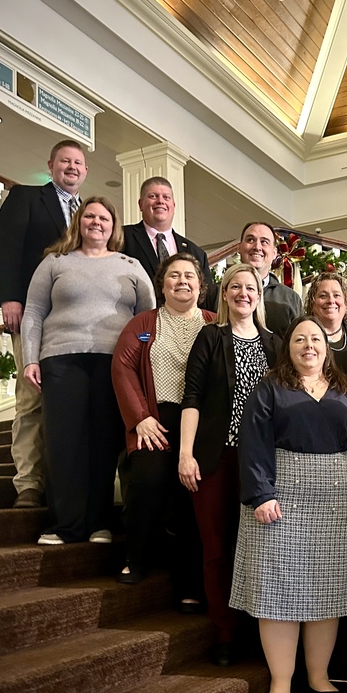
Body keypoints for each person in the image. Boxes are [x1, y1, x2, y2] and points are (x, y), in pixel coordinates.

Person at [231, 315, 347, 693]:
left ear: (326, 347)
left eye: (315, 338)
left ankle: (318, 677)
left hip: (337, 498)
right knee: (276, 592)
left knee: (327, 590)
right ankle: (280, 684)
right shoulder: (270, 387)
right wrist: (261, 493)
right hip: (279, 496)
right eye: (300, 339)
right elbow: (253, 441)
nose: (308, 345)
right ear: (288, 348)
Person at [21, 197, 155, 544]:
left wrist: (140, 356)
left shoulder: (130, 265)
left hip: (113, 363)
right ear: (79, 222)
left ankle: (98, 524)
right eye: (90, 216)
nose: (97, 222)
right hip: (60, 358)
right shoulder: (55, 262)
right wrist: (30, 359)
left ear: (114, 226)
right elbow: (33, 311)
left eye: (104, 218)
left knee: (103, 442)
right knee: (63, 443)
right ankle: (64, 525)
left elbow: (147, 319)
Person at [179, 262, 279, 664]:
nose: (243, 293)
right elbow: (192, 396)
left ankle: (260, 632)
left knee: (259, 548)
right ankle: (225, 633)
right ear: (224, 294)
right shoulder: (210, 336)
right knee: (217, 548)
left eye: (250, 287)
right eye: (235, 286)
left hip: (262, 463)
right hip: (215, 458)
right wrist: (185, 453)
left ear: (259, 295)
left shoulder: (274, 343)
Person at [111, 252, 217, 605]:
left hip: (202, 426)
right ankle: (135, 558)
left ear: (201, 286)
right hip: (153, 420)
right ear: (162, 284)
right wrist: (140, 417)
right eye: (174, 275)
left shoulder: (215, 323)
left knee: (195, 495)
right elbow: (123, 368)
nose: (182, 281)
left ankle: (190, 585)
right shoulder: (143, 323)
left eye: (189, 275)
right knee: (147, 480)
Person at [0, 139, 89, 508]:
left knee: (70, 403)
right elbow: (4, 246)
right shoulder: (27, 197)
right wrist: (9, 297)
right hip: (33, 314)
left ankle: (63, 481)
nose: (72, 167)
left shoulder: (89, 213)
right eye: (65, 161)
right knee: (31, 398)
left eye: (78, 163)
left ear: (85, 171)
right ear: (51, 165)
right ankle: (29, 484)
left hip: (76, 324)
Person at [205, 221, 303, 337]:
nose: (257, 247)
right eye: (250, 240)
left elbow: (299, 340)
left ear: (274, 253)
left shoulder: (290, 298)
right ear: (239, 248)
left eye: (264, 242)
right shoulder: (215, 292)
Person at [123, 177, 211, 287]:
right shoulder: (122, 237)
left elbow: (207, 294)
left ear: (173, 206)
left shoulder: (197, 253)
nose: (160, 201)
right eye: (153, 196)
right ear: (141, 204)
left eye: (166, 197)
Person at [305, 271, 347, 397]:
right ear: (312, 304)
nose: (331, 300)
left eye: (336, 295)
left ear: (346, 303)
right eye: (323, 296)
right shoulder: (304, 339)